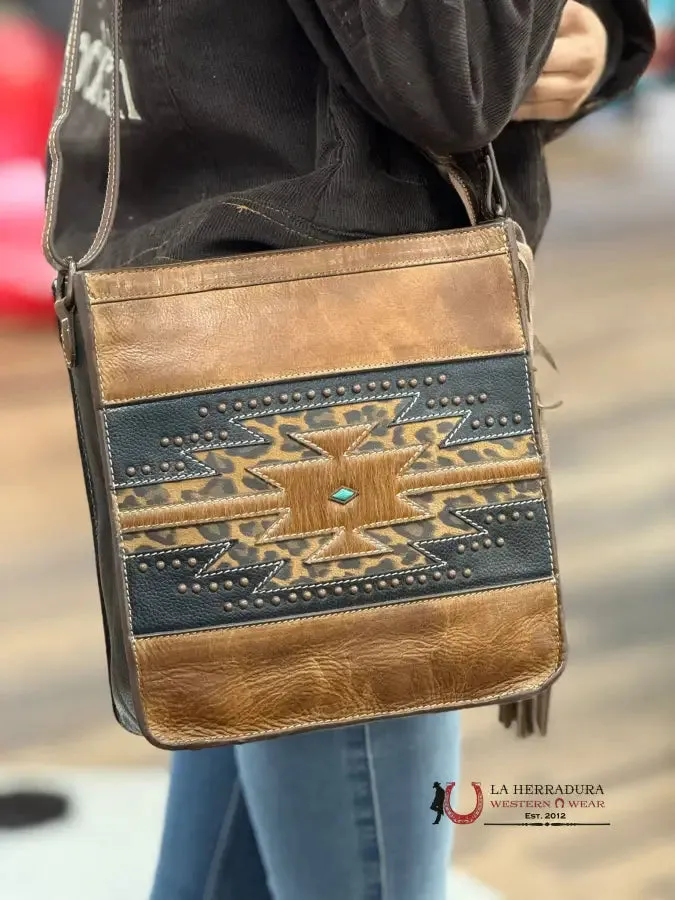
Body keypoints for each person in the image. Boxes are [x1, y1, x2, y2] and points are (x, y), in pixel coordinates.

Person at [52, 1, 653, 898]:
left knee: (249, 786)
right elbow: (454, 82)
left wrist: (596, 39)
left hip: (244, 290)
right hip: (327, 339)